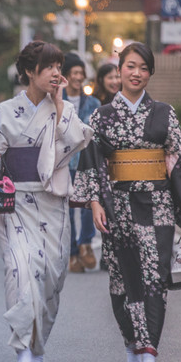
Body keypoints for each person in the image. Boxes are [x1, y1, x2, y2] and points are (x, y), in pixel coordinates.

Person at [72, 42, 181, 362]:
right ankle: (132, 345)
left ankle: (149, 351)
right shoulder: (102, 115)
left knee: (155, 277)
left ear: (150, 73)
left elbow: (180, 159)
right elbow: (92, 162)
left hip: (158, 204)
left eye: (143, 68)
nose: (136, 73)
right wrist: (94, 204)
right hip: (117, 204)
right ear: (118, 70)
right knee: (122, 280)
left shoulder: (163, 112)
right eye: (130, 66)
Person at [0, 41, 93, 362]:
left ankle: (38, 348)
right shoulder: (6, 110)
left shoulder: (66, 109)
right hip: (16, 204)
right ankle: (23, 350)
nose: (58, 73)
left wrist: (58, 108)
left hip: (52, 203)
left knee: (52, 278)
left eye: (59, 66)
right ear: (30, 71)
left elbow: (75, 144)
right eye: (50, 67)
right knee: (21, 271)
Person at [62, 53, 101, 273]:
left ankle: (86, 244)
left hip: (87, 163)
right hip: (64, 163)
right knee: (67, 210)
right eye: (74, 73)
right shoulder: (58, 100)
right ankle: (72, 253)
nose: (79, 77)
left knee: (88, 206)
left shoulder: (93, 102)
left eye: (81, 73)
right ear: (66, 75)